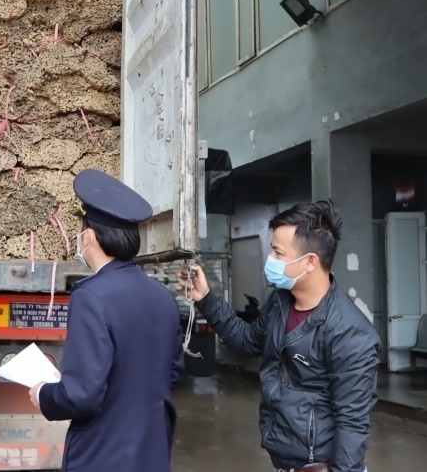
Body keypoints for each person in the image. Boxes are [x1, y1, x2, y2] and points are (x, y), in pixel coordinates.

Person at [178, 200, 380, 472]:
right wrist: (206, 299)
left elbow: (352, 423)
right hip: (284, 460)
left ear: (310, 262)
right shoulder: (280, 302)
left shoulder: (349, 331)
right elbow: (247, 341)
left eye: (277, 252)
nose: (270, 260)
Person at [29, 168, 185, 472]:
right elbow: (173, 372)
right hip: (151, 451)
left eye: (79, 230)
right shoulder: (161, 296)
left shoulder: (91, 296)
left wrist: (44, 395)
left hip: (103, 453)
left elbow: (81, 395)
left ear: (88, 237)